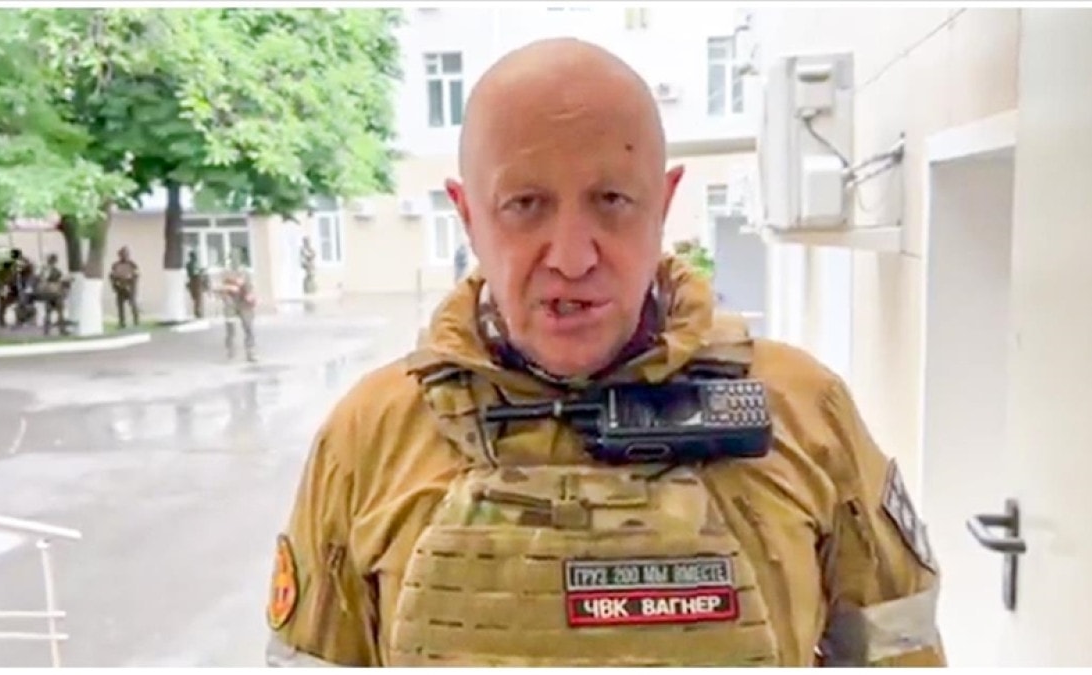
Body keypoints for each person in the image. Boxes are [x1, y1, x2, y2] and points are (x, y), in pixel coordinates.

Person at [264, 38, 945, 668]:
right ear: (467, 215)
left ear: (663, 204)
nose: (571, 257)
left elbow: (900, 650)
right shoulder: (370, 437)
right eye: (525, 203)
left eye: (612, 199)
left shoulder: (804, 413)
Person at [219, 248, 257, 362]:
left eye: (238, 257)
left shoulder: (245, 273)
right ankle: (230, 351)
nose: (236, 260)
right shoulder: (226, 273)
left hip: (244, 302)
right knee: (230, 328)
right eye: (233, 257)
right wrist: (229, 289)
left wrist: (250, 295)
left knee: (248, 327)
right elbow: (220, 288)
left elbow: (250, 287)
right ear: (230, 259)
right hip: (230, 302)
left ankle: (251, 352)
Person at [108, 246, 140, 329]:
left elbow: (136, 276)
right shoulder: (115, 265)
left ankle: (136, 321)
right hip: (120, 288)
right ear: (119, 255)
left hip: (130, 288)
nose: (124, 256)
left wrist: (130, 285)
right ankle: (122, 322)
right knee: (120, 306)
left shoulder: (132, 265)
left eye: (126, 254)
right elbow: (111, 276)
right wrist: (115, 285)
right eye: (122, 254)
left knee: (133, 304)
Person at [185, 250, 209, 319]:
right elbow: (194, 273)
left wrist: (201, 270)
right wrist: (201, 271)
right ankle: (197, 312)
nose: (196, 257)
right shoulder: (192, 264)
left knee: (197, 298)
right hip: (195, 281)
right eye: (195, 256)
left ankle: (197, 312)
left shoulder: (191, 264)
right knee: (197, 298)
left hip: (194, 281)